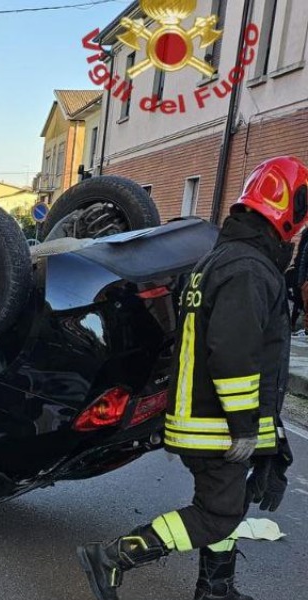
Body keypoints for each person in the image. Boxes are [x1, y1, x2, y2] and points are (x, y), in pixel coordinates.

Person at [76, 156, 304, 600]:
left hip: (202, 416)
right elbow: (234, 352)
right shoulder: (249, 269)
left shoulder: (222, 259)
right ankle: (112, 556)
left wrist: (272, 439)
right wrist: (244, 428)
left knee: (227, 505)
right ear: (287, 209)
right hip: (215, 424)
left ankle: (216, 589)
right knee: (217, 514)